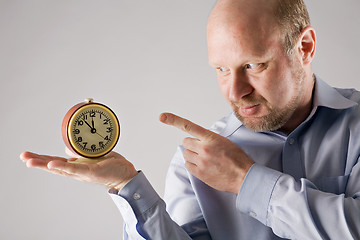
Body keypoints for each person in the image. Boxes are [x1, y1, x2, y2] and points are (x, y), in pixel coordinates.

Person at [20, 0, 360, 239]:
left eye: (253, 65)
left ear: (305, 47)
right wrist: (127, 186)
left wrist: (246, 181)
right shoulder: (197, 161)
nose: (235, 91)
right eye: (222, 69)